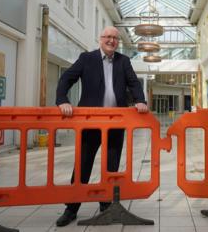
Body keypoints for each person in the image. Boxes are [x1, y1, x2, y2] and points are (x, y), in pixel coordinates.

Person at [55, 26, 148, 227]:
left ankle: (106, 206)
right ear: (100, 39)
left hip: (115, 123)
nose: (111, 40)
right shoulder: (86, 58)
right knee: (83, 165)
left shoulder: (123, 61)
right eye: (108, 37)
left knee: (111, 166)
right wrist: (62, 100)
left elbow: (134, 83)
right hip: (90, 123)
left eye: (115, 38)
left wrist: (141, 100)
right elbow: (66, 78)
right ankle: (71, 208)